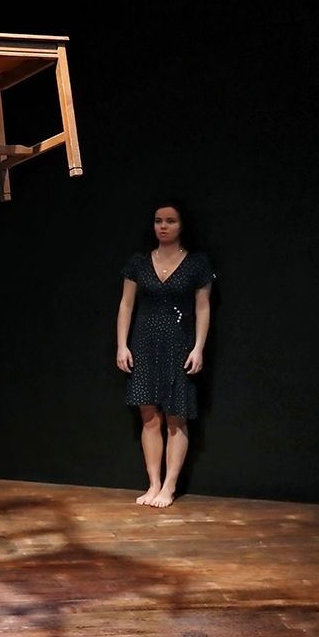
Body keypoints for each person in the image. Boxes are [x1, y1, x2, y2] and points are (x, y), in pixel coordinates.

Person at [116, 202, 214, 508]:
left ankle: (169, 486)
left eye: (171, 221)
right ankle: (153, 483)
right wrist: (122, 345)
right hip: (144, 343)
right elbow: (126, 304)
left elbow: (203, 307)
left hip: (179, 345)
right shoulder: (138, 262)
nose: (164, 226)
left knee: (175, 418)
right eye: (159, 221)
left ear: (182, 225)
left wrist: (198, 347)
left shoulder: (197, 263)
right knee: (149, 417)